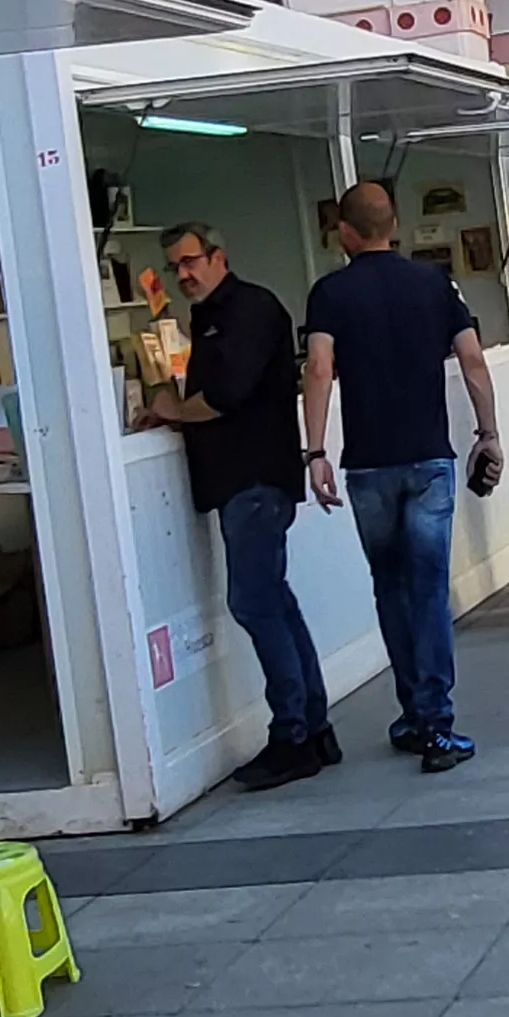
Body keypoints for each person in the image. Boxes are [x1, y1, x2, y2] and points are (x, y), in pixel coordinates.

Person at [301, 182, 494, 773]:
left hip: (368, 463)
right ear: (393, 225)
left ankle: (413, 710)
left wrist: (315, 452)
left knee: (390, 587)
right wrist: (488, 433)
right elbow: (473, 360)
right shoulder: (435, 284)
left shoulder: (330, 293)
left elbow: (318, 369)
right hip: (428, 458)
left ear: (345, 231)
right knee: (429, 590)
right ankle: (438, 723)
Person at [147, 222, 331, 789]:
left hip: (254, 480)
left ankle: (293, 735)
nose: (183, 275)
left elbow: (226, 395)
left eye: (190, 261)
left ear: (218, 256)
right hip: (247, 482)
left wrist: (172, 410)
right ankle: (314, 728)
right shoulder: (211, 316)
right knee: (273, 599)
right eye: (174, 267)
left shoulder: (248, 309)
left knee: (254, 602)